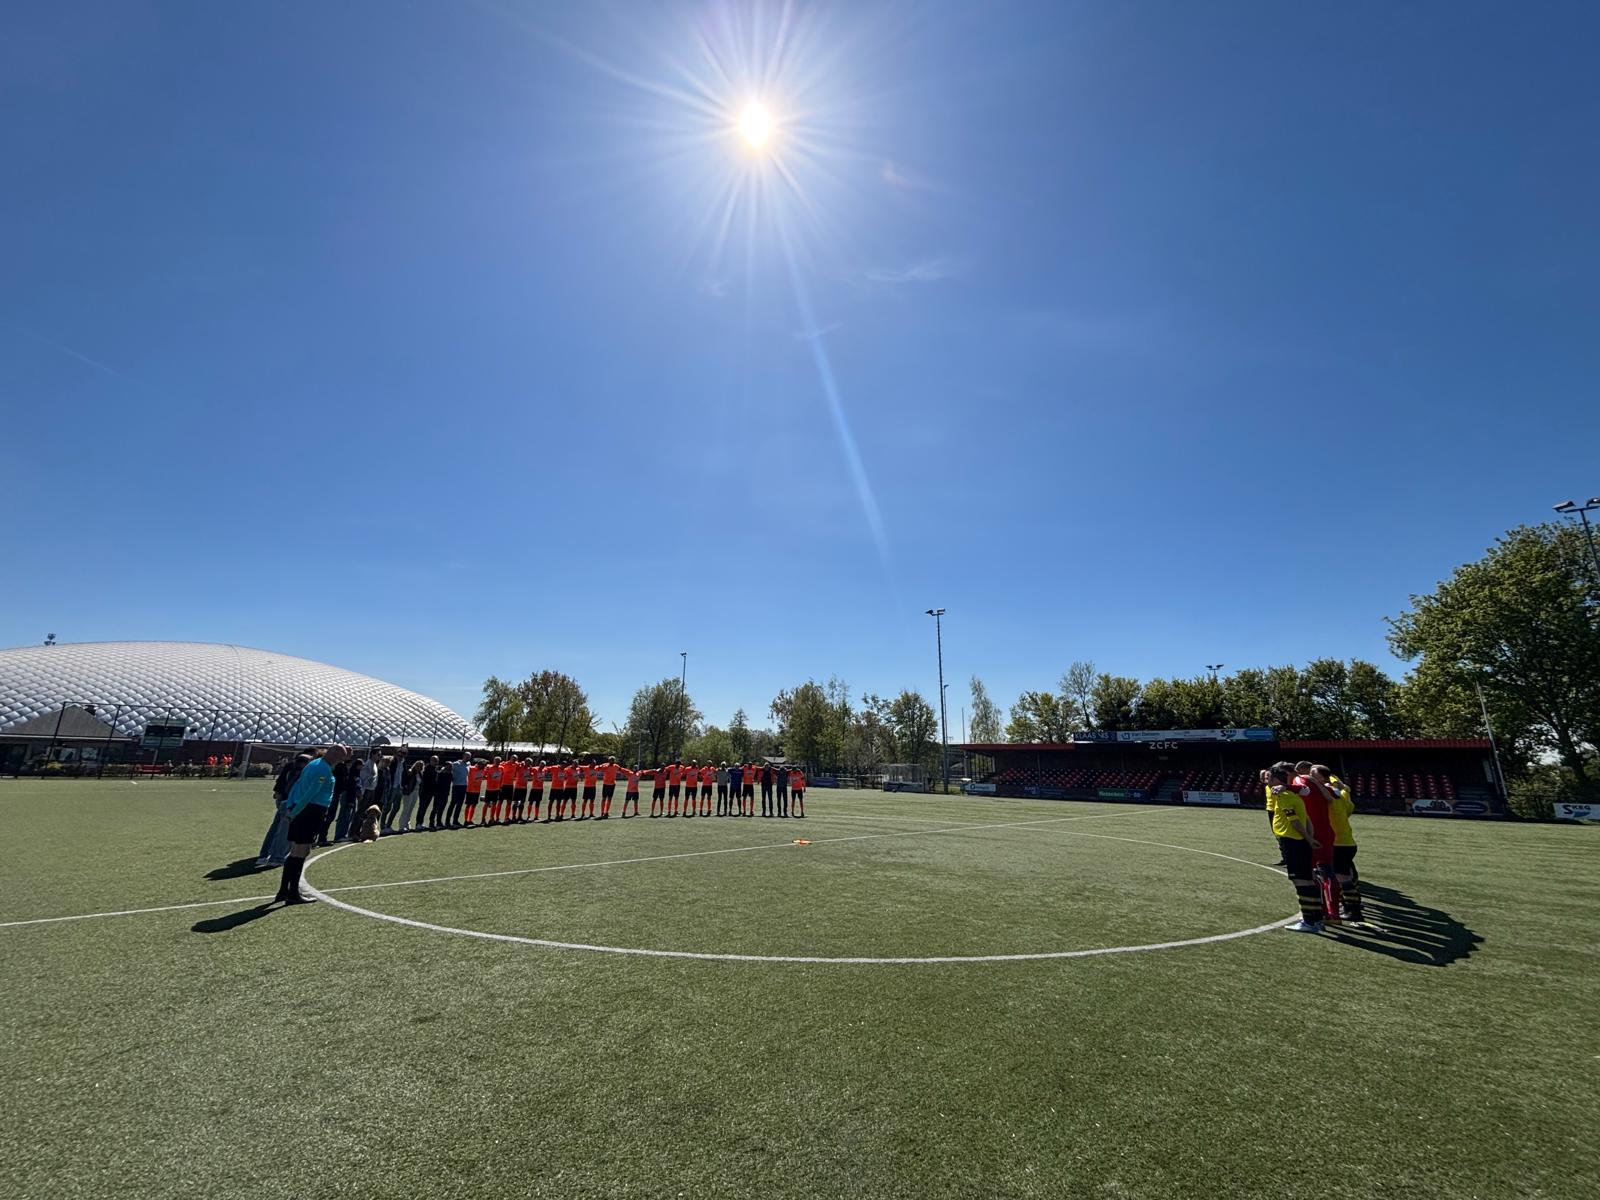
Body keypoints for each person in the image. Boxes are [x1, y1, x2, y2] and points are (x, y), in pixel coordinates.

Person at [276, 744, 349, 904]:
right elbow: (310, 793)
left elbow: (299, 786)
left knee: (296, 850)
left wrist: (292, 807)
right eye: (341, 756)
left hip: (304, 810)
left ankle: (284, 890)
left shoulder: (314, 764)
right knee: (300, 851)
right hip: (310, 812)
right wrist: (293, 812)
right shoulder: (322, 770)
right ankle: (293, 893)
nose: (342, 760)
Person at [1267, 762, 1326, 933]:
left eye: (1269, 777)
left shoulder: (1284, 796)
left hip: (1292, 841)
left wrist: (1308, 837)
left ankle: (1309, 921)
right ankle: (1316, 919)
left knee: (1300, 881)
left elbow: (1294, 820)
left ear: (1276, 779)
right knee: (1307, 879)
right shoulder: (1293, 795)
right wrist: (1310, 838)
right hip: (1301, 841)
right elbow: (1306, 819)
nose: (1267, 780)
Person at [1311, 764, 1367, 925]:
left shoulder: (1328, 797)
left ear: (1322, 778)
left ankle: (1353, 911)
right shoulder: (1342, 796)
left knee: (1341, 878)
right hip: (1348, 841)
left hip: (1338, 843)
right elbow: (1349, 805)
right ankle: (1351, 908)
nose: (1310, 777)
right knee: (1346, 876)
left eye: (1313, 774)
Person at [255, 754, 308, 868]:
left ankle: (265, 855)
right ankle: (276, 857)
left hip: (284, 801)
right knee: (284, 832)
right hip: (289, 803)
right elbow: (290, 787)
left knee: (276, 830)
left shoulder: (291, 769)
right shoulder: (297, 772)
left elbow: (281, 784)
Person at [398, 759, 423, 832]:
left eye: (421, 766)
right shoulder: (410, 771)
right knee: (406, 809)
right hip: (409, 792)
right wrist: (405, 788)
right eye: (418, 765)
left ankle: (407, 824)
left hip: (416, 792)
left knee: (410, 809)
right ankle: (401, 826)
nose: (419, 767)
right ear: (415, 765)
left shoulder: (420, 774)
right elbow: (405, 780)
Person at [447, 756, 469, 827]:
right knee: (453, 804)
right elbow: (448, 768)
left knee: (459, 805)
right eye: (467, 756)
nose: (468, 758)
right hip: (456, 786)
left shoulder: (468, 764)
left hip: (464, 786)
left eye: (469, 757)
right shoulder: (456, 763)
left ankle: (455, 821)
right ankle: (447, 821)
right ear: (463, 756)